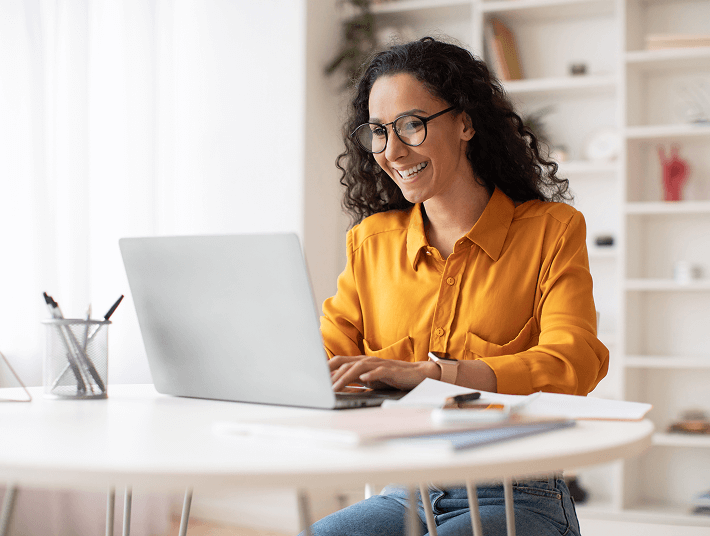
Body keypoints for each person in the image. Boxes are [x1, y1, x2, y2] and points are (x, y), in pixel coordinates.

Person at [305, 36, 609, 536]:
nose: (393, 150)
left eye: (411, 125)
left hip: (519, 493)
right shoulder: (371, 243)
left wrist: (435, 374)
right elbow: (326, 359)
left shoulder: (551, 230)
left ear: (465, 122)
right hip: (407, 490)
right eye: (379, 131)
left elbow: (573, 361)